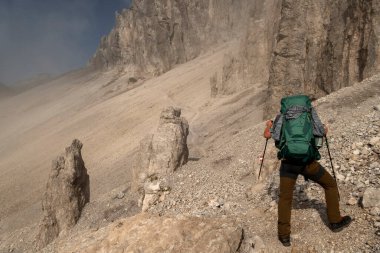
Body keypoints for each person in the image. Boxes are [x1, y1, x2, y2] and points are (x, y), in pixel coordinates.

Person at [263, 95, 352, 247]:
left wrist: (268, 125)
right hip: (308, 163)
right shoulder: (310, 113)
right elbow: (321, 133)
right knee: (330, 184)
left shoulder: (282, 116)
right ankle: (335, 221)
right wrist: (324, 129)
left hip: (288, 164)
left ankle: (284, 236)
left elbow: (269, 136)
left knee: (285, 198)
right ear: (306, 104)